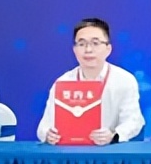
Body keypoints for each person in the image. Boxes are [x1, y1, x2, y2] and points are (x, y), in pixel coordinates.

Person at [36, 17, 145, 145]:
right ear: (74, 50)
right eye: (82, 44)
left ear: (108, 49)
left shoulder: (124, 80)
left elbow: (133, 120)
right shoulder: (63, 82)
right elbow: (44, 126)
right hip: (72, 150)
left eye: (95, 43)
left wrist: (113, 135)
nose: (88, 50)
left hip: (111, 150)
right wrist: (48, 134)